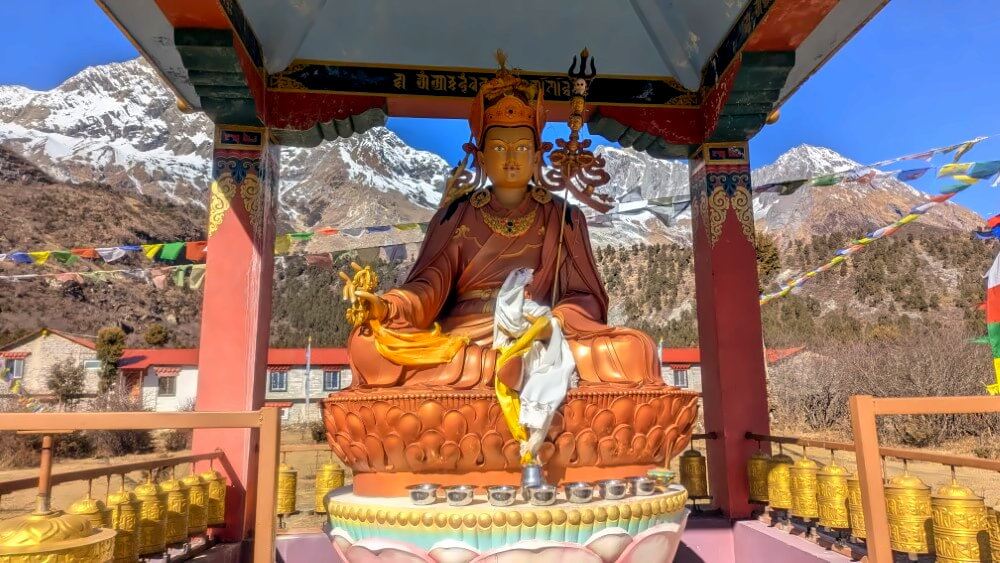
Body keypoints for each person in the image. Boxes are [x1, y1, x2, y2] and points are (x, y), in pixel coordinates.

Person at [340, 56, 664, 394]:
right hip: (463, 339)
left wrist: (553, 321)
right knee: (367, 343)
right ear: (481, 157)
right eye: (498, 148)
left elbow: (584, 297)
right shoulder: (456, 215)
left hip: (536, 332)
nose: (510, 159)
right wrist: (388, 306)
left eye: (522, 147)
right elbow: (426, 288)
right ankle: (500, 370)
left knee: (631, 350)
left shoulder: (563, 216)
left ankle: (500, 370)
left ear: (537, 155)